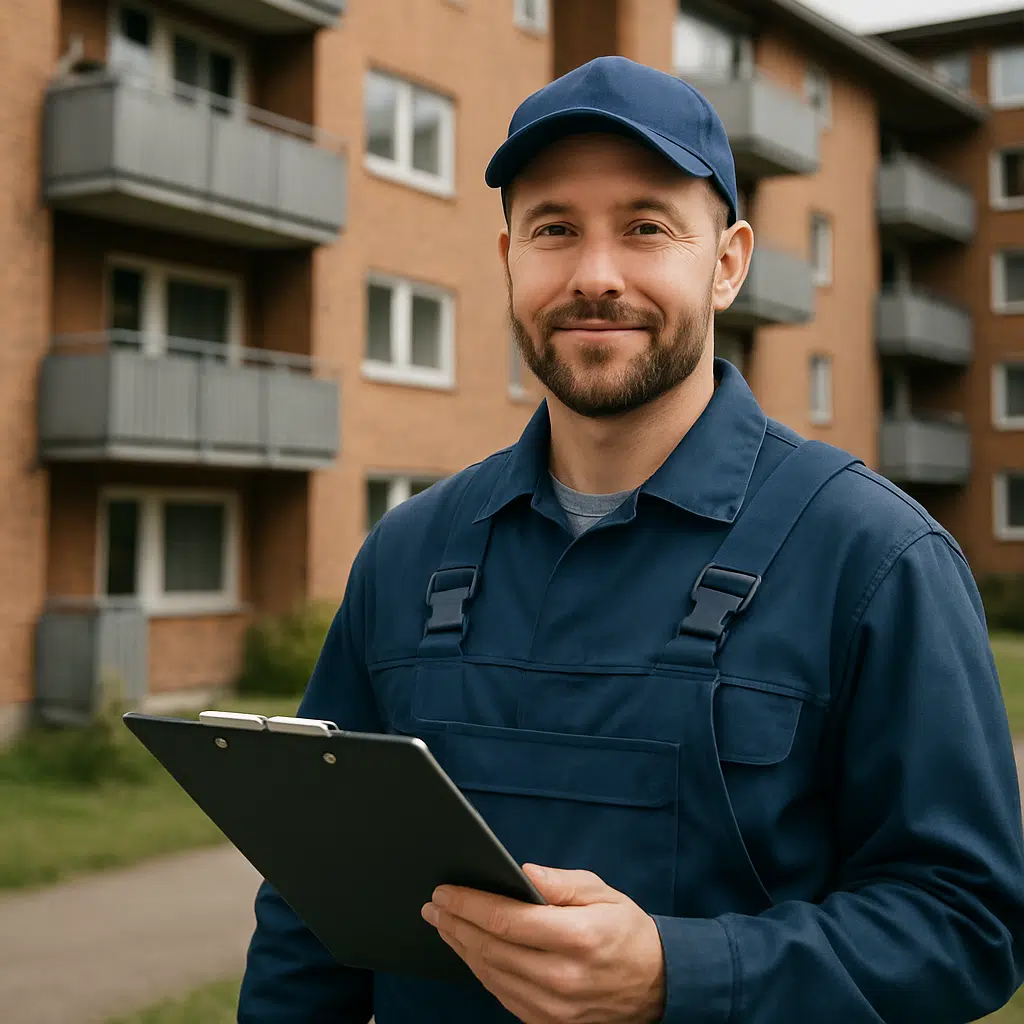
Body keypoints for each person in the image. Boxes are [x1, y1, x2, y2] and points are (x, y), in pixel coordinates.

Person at [237, 56, 1024, 1023]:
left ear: (727, 262)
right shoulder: (406, 557)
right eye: (554, 230)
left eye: (647, 228)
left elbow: (968, 923)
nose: (595, 276)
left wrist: (678, 973)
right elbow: (311, 902)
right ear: (508, 259)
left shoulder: (872, 559)